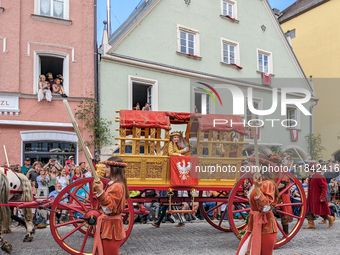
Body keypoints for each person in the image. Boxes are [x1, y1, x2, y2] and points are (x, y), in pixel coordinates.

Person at [92, 157, 129, 255]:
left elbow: (109, 208)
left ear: (115, 169)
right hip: (110, 226)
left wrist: (100, 192)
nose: (104, 170)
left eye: (107, 167)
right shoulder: (115, 184)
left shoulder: (117, 186)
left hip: (111, 228)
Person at [236, 172, 279, 255]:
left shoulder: (268, 184)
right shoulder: (258, 182)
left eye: (253, 164)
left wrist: (258, 189)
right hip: (253, 225)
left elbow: (266, 206)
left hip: (265, 226)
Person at [304, 163, 334, 229]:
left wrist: (322, 196)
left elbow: (324, 187)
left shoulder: (319, 176)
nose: (306, 170)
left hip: (317, 197)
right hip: (311, 197)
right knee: (309, 210)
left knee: (320, 210)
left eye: (307, 169)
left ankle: (330, 218)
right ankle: (311, 224)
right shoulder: (310, 177)